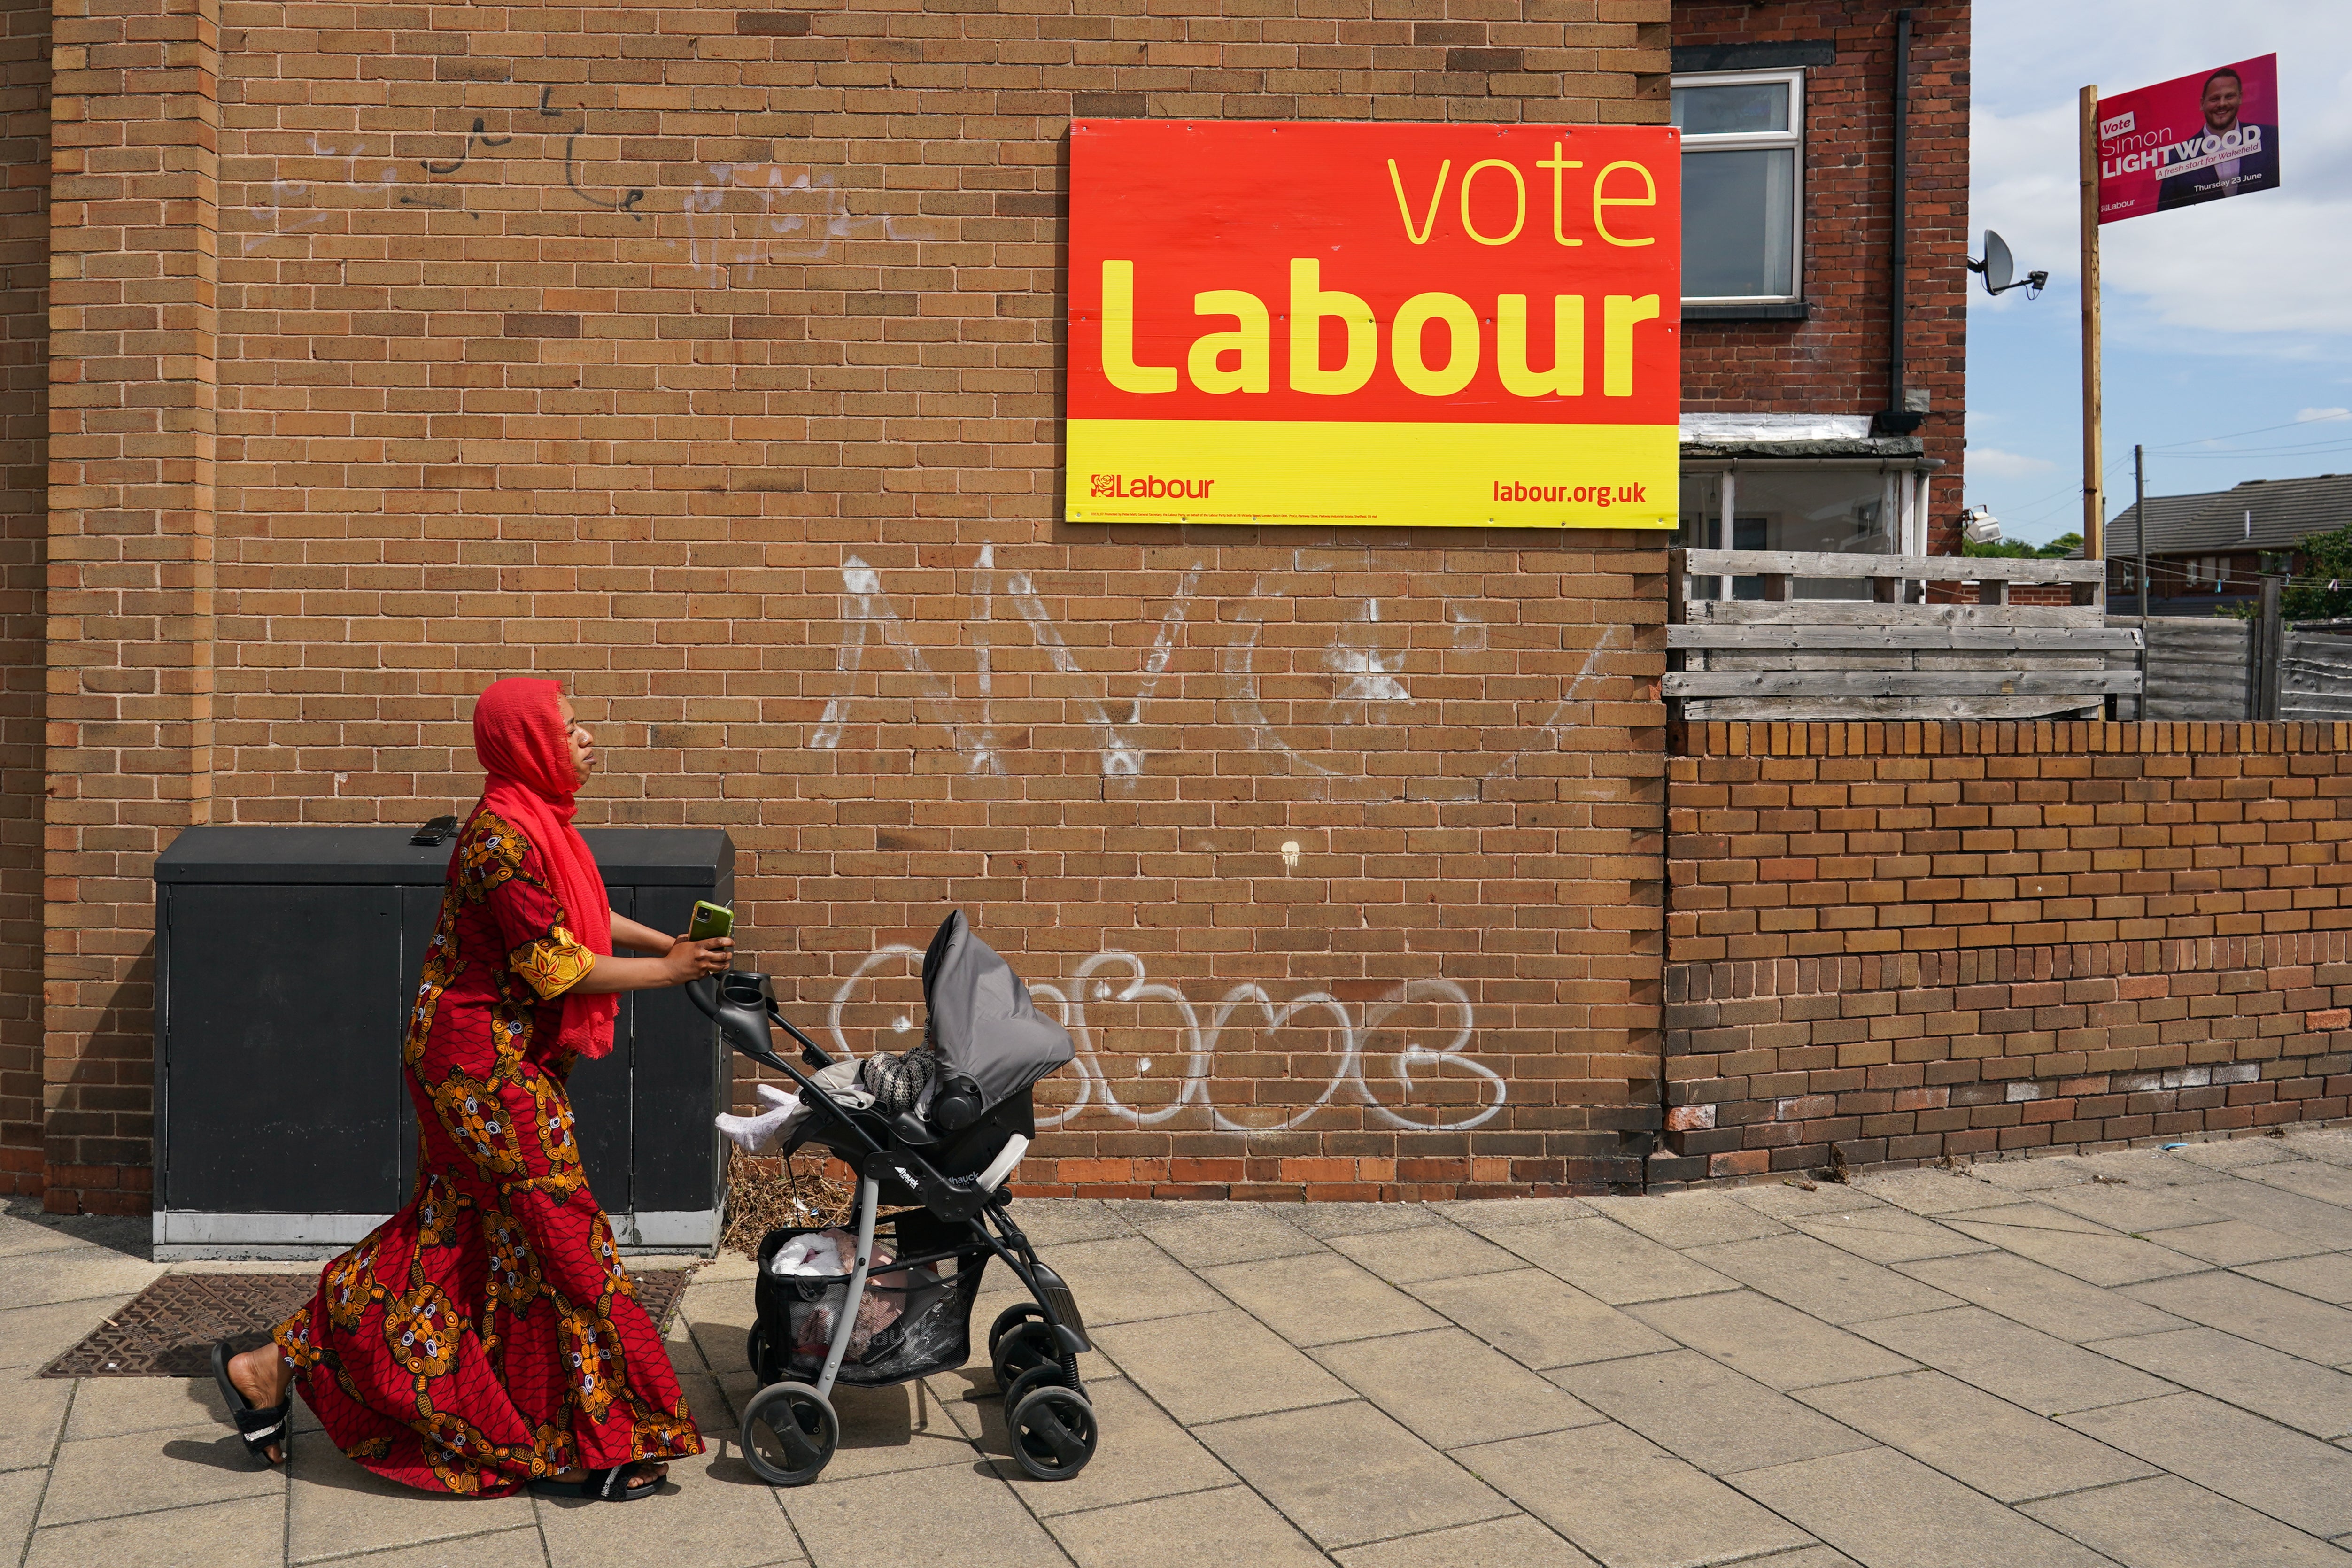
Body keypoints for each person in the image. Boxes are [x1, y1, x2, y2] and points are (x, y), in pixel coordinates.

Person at [213, 678, 735, 1502]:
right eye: (568, 729)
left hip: (499, 1060)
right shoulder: (501, 836)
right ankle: (603, 1437)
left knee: (451, 1235)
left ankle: (269, 1361)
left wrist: (666, 941)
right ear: (527, 742)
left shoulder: (537, 821)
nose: (587, 737)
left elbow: (573, 919)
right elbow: (555, 964)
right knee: (567, 1236)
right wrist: (669, 970)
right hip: (476, 1068)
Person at [2157, 66, 2279, 211]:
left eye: (2229, 97)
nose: (2222, 104)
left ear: (2240, 97)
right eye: (2215, 99)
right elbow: (2166, 212)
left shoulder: (2270, 137)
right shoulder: (2178, 156)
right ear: (2202, 104)